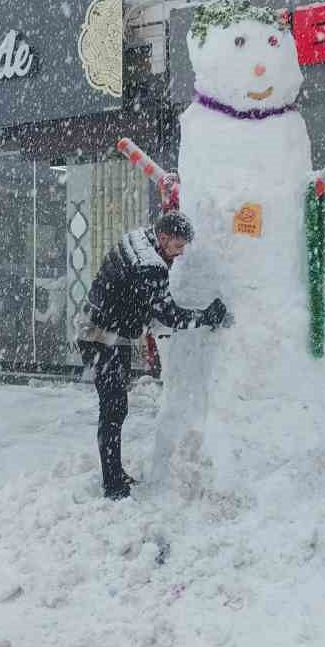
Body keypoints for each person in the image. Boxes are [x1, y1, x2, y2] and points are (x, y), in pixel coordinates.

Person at [75, 211, 229, 499]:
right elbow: (170, 315)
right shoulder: (150, 266)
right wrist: (206, 315)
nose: (180, 254)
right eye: (177, 246)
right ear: (164, 237)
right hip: (102, 338)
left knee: (114, 407)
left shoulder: (136, 239)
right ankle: (113, 485)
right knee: (114, 408)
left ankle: (115, 474)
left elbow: (138, 295)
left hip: (97, 329)